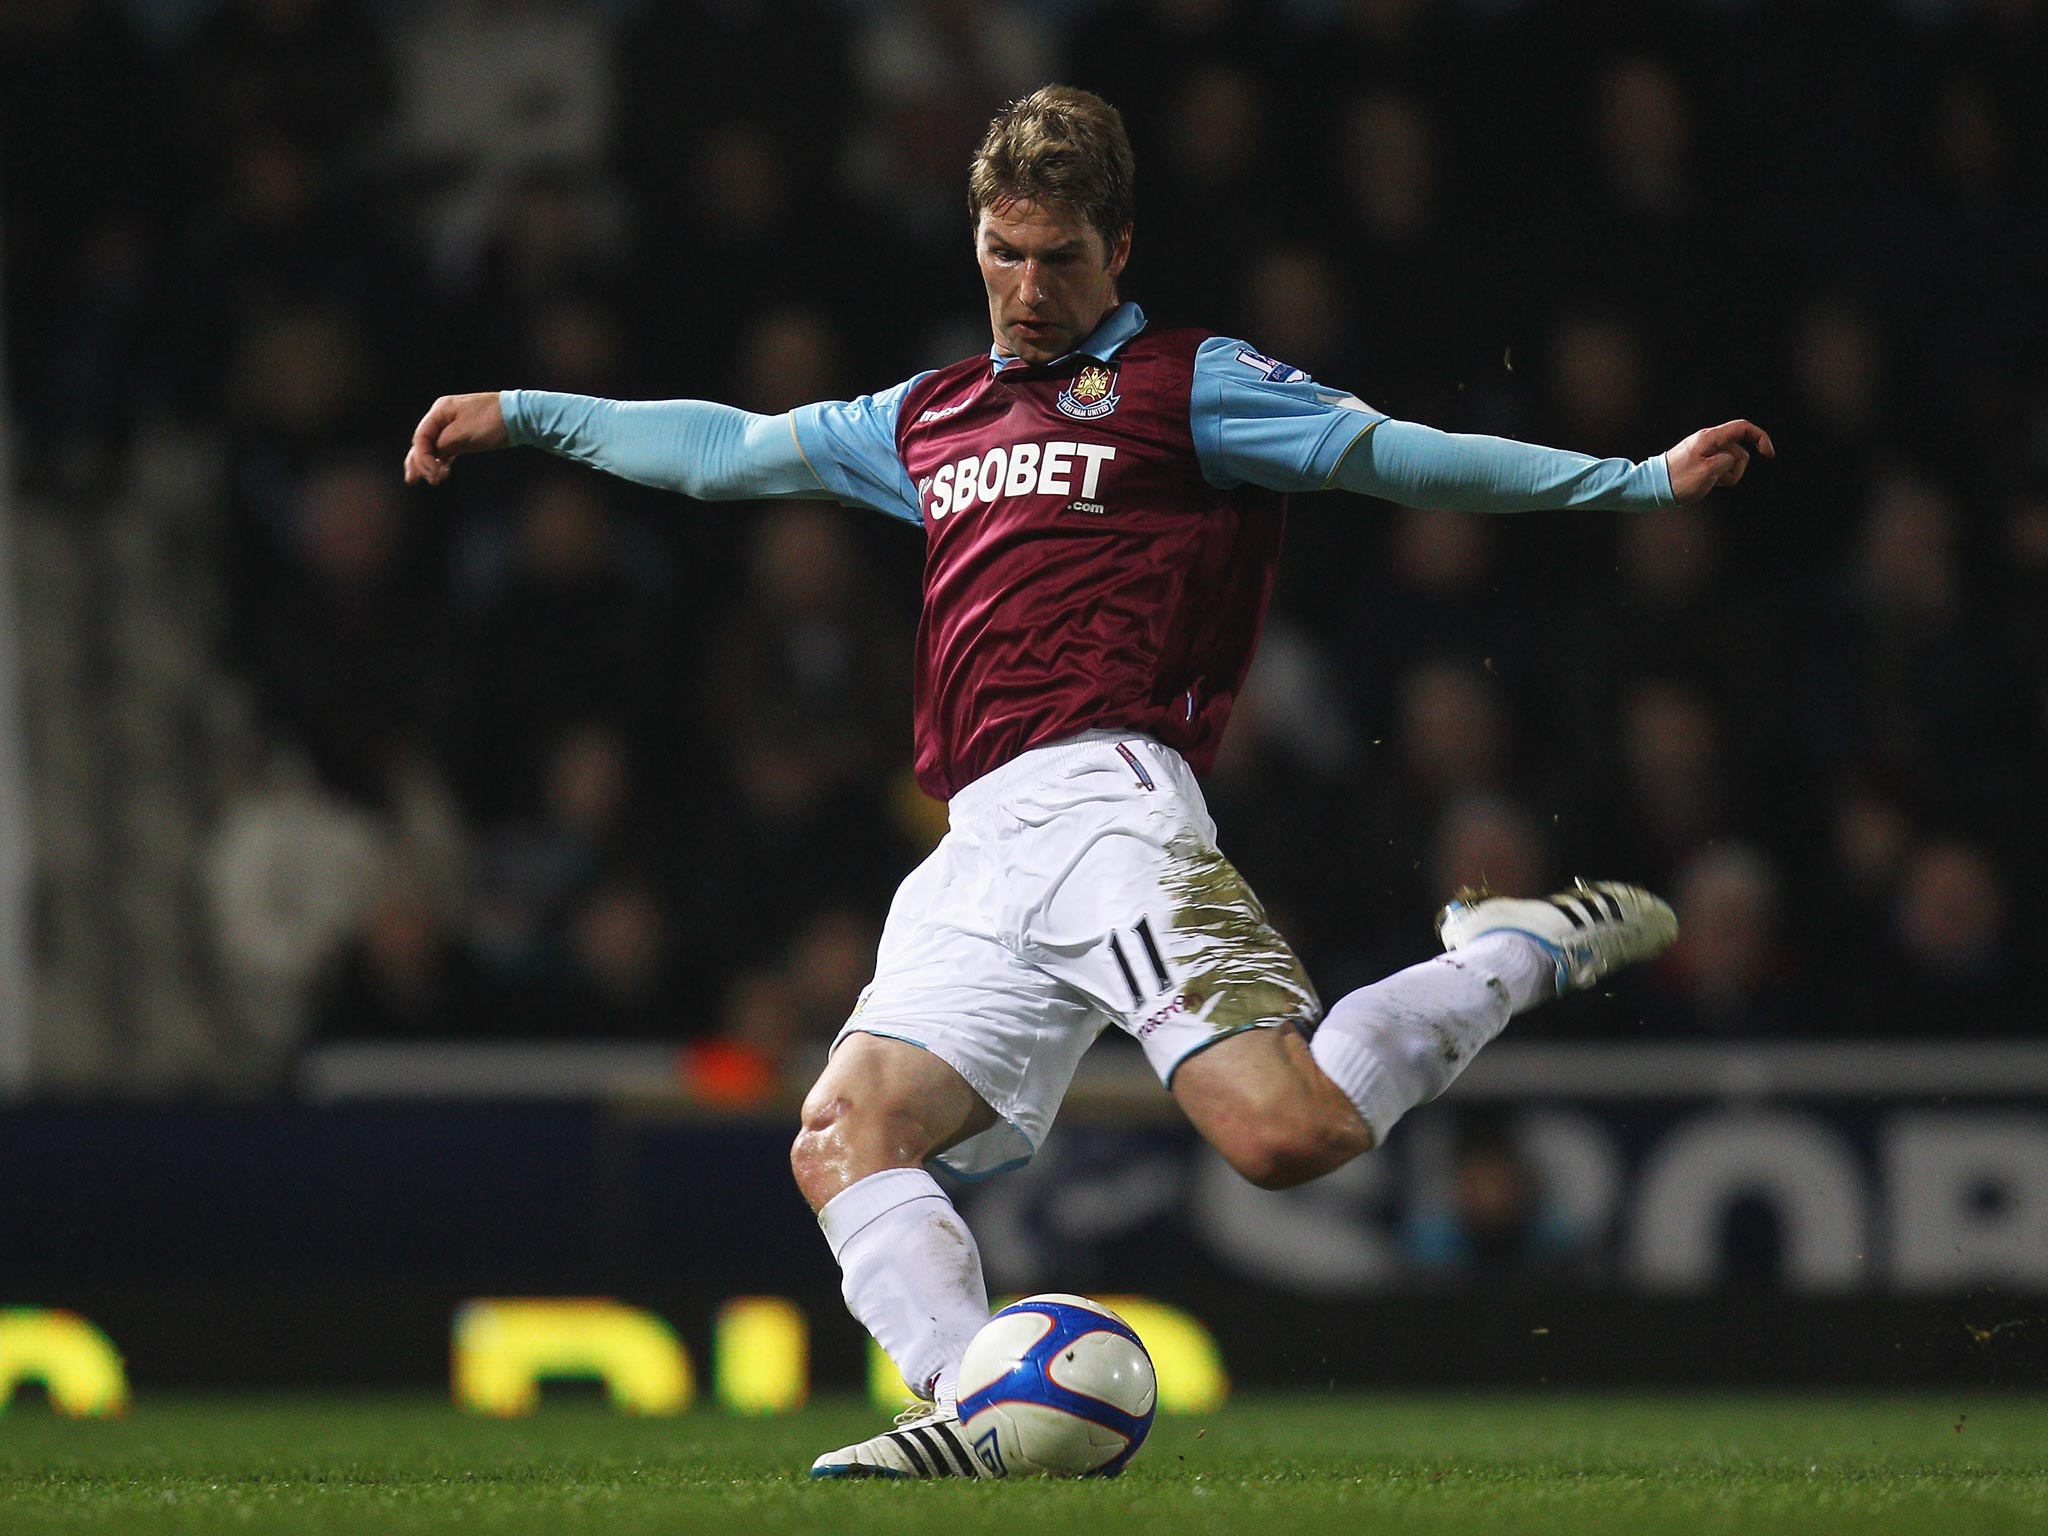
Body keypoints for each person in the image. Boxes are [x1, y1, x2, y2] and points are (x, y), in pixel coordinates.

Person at [405, 86, 1772, 1478]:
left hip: (1115, 810)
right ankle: (972, 1405)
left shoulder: (1194, 387)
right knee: (842, 1131)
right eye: (1004, 252)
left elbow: (1397, 458)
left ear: (1121, 248)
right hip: (979, 842)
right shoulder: (931, 416)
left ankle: (1510, 954)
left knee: (1288, 1139)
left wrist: (1635, 482)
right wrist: (523, 412)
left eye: (1059, 256)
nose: (1027, 287)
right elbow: (729, 451)